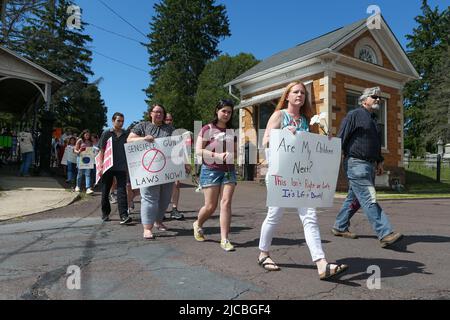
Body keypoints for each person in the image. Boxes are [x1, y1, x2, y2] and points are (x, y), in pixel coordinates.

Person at [257, 81, 348, 280]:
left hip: (302, 176)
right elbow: (264, 142)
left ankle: (321, 263)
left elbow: (310, 148)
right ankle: (263, 254)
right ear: (287, 96)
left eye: (303, 93)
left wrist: (326, 142)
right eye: (295, 92)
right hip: (280, 176)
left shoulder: (307, 120)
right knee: (274, 215)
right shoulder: (279, 115)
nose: (300, 95)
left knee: (310, 217)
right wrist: (282, 133)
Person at [332, 86, 403, 248]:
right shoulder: (354, 115)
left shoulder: (374, 120)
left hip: (370, 165)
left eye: (378, 97)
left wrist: (379, 162)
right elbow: (341, 138)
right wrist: (333, 159)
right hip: (356, 163)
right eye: (374, 97)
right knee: (369, 197)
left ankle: (340, 225)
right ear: (364, 100)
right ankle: (385, 233)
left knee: (355, 199)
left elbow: (376, 145)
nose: (377, 100)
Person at [127, 104, 190, 239]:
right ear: (151, 113)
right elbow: (129, 139)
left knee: (165, 198)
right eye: (156, 112)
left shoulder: (170, 129)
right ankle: (147, 228)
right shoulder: (142, 126)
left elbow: (178, 147)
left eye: (161, 112)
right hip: (148, 170)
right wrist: (143, 138)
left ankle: (158, 221)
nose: (159, 114)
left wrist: (185, 162)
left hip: (167, 169)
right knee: (150, 198)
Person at [193, 99, 238, 252]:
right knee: (210, 206)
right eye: (224, 111)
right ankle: (198, 224)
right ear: (217, 111)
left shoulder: (232, 131)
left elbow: (236, 152)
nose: (226, 114)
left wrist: (232, 154)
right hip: (211, 169)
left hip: (228, 170)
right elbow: (198, 150)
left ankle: (224, 239)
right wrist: (217, 156)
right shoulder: (207, 128)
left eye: (229, 112)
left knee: (225, 203)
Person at [98, 112, 132, 224]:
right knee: (105, 191)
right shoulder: (107, 133)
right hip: (108, 167)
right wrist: (101, 165)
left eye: (122, 121)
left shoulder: (126, 134)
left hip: (121, 167)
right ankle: (105, 213)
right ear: (113, 121)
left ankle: (124, 215)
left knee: (122, 191)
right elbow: (102, 150)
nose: (121, 123)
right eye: (118, 121)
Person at [164, 113, 184, 220]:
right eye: (167, 119)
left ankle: (174, 209)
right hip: (161, 163)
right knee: (161, 187)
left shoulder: (175, 132)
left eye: (171, 119)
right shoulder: (158, 131)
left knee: (176, 184)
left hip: (174, 161)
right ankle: (160, 211)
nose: (169, 121)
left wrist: (185, 163)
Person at [74, 129, 94, 194]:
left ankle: (88, 188)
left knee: (88, 174)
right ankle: (77, 186)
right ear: (83, 134)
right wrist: (79, 151)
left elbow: (91, 150)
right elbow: (75, 150)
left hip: (88, 159)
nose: (87, 136)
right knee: (80, 173)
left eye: (88, 135)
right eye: (86, 134)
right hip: (80, 158)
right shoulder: (80, 140)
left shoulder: (90, 142)